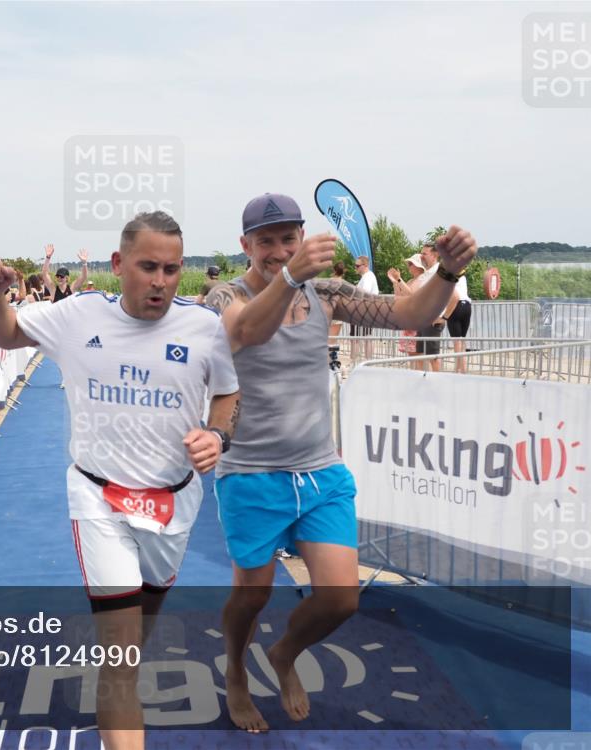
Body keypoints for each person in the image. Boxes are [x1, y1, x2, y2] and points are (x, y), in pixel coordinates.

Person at [204, 193, 476, 732]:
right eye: (267, 242)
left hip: (320, 472)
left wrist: (446, 271)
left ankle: (283, 654)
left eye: (289, 239)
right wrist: (287, 280)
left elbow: (408, 313)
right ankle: (236, 668)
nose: (279, 251)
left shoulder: (325, 292)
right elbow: (244, 331)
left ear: (302, 238)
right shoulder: (223, 295)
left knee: (340, 599)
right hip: (253, 475)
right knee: (251, 595)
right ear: (246, 246)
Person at [0, 211, 240, 750]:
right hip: (99, 498)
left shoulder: (204, 327)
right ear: (119, 265)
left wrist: (217, 435)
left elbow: (227, 394)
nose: (160, 281)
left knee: (135, 641)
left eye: (170, 269)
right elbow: (6, 334)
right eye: (147, 267)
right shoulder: (78, 315)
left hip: (173, 503)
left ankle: (114, 699)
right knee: (119, 652)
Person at [387, 254, 427, 365]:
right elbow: (398, 296)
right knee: (411, 354)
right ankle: (414, 378)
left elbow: (412, 294)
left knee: (418, 355)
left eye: (410, 264)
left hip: (418, 320)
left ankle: (420, 378)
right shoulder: (410, 281)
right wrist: (395, 282)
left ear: (418, 266)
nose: (408, 266)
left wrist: (399, 279)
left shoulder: (423, 280)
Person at [414, 243, 444, 372]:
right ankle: (422, 382)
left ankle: (438, 383)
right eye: (421, 254)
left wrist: (441, 316)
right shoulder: (427, 273)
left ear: (434, 255)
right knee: (419, 353)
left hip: (433, 318)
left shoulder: (439, 272)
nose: (421, 257)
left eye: (424, 254)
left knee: (433, 355)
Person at [350, 255, 379, 362]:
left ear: (365, 265)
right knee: (365, 337)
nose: (355, 268)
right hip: (365, 312)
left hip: (363, 312)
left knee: (356, 338)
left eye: (357, 266)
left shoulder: (367, 277)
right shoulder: (367, 276)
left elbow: (364, 294)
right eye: (355, 265)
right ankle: (366, 363)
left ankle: (356, 363)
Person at [445, 273, 472, 373]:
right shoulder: (463, 277)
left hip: (456, 306)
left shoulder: (448, 275)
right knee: (462, 340)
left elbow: (453, 295)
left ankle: (458, 369)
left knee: (457, 341)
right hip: (467, 306)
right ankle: (463, 369)